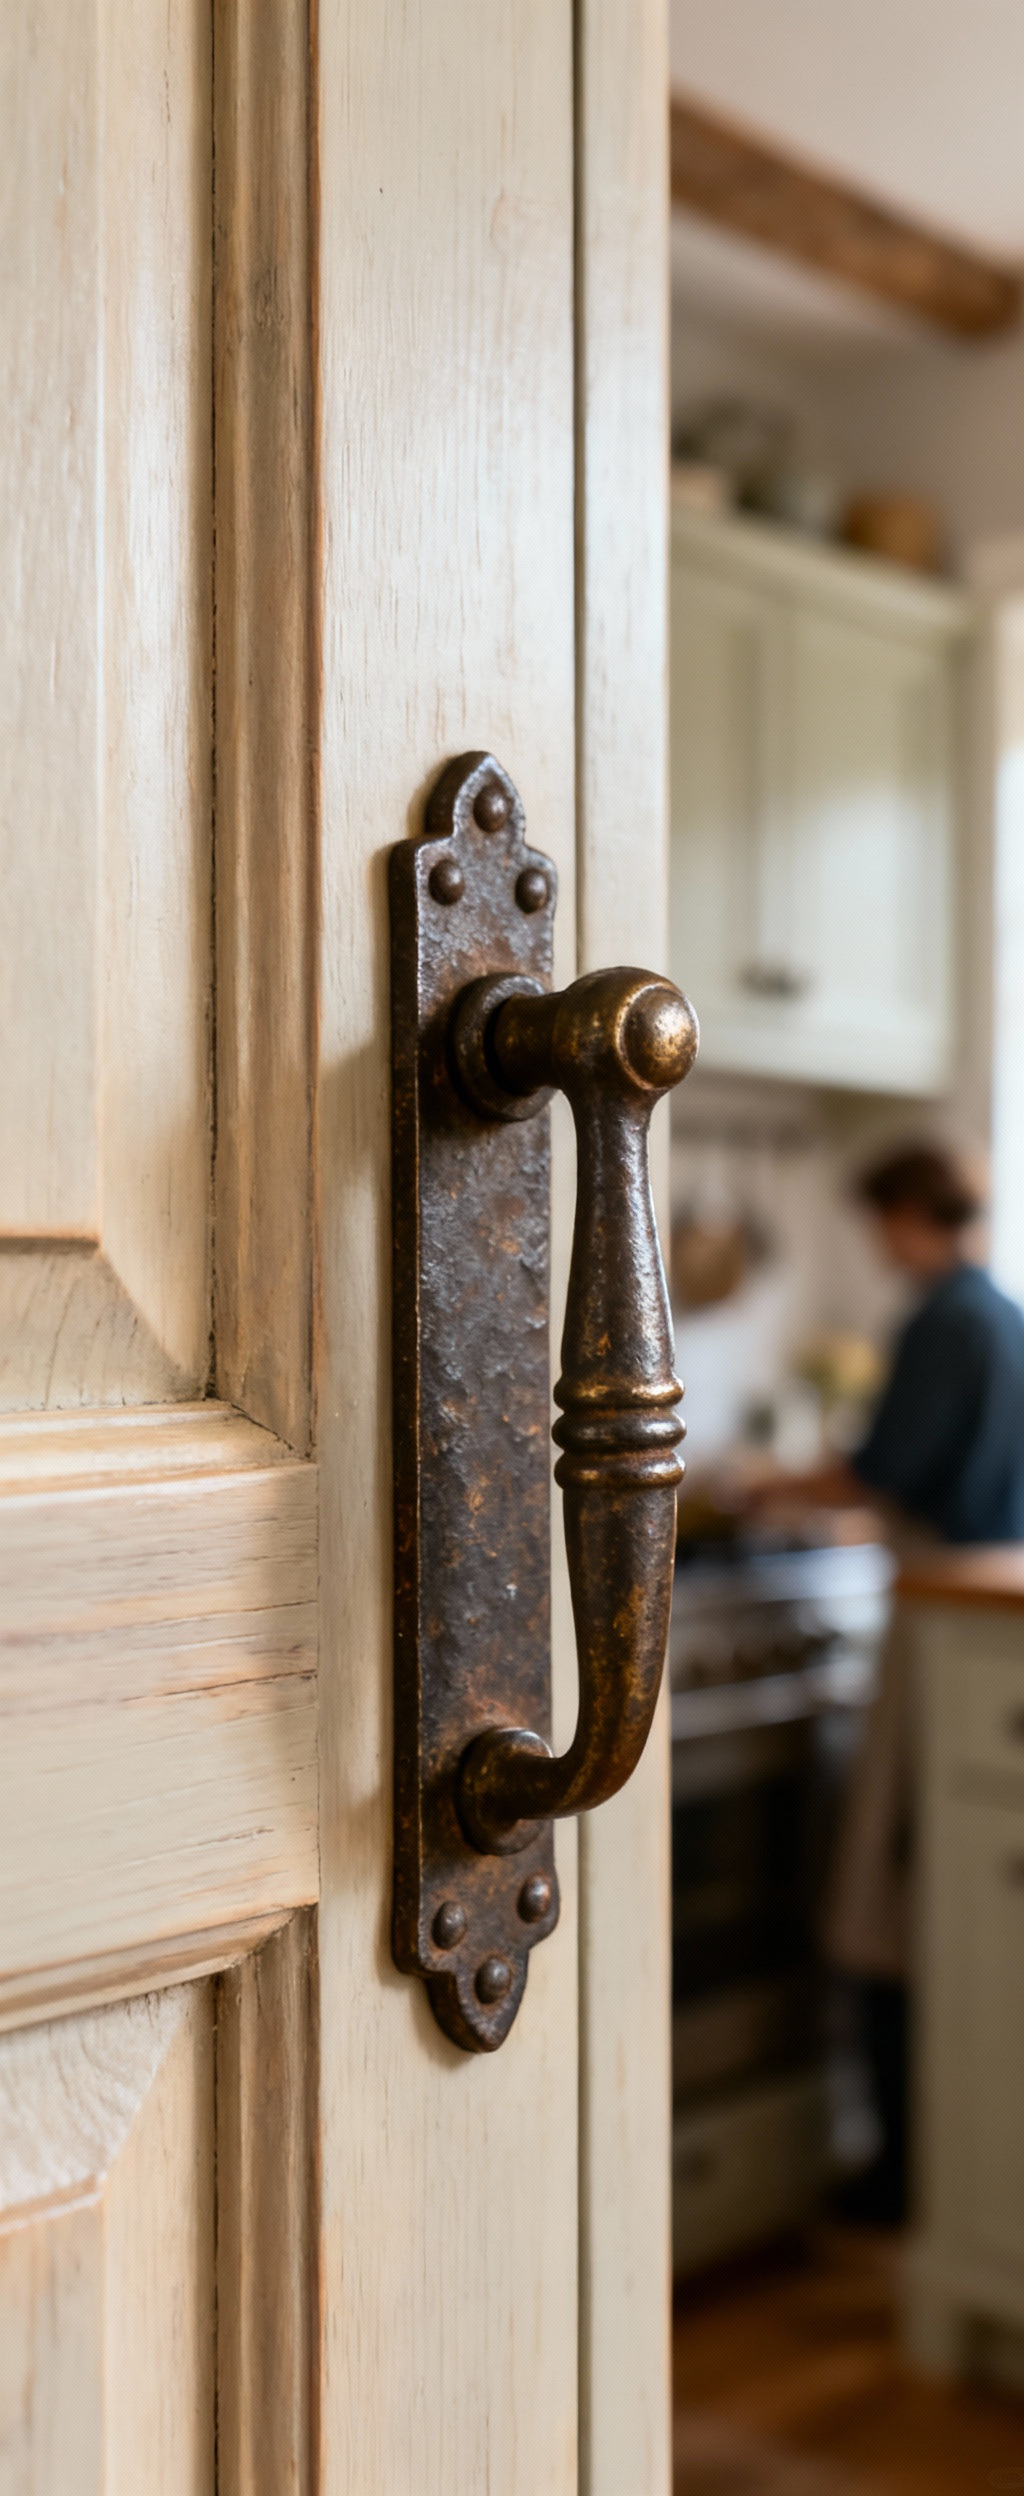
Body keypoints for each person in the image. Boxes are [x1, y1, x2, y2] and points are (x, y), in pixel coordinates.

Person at [764, 1144, 1024, 2220]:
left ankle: (899, 2173)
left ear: (914, 1214)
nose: (878, 1246)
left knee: (881, 1885)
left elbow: (878, 1473)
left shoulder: (942, 1319)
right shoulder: (1001, 1312)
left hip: (936, 1615)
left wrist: (759, 1484)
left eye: (881, 1223)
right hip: (975, 1606)